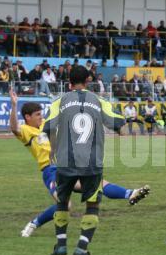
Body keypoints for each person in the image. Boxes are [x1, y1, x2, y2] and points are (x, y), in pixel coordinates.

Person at [9, 90, 150, 238]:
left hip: (70, 164)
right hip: (51, 171)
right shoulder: (26, 130)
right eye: (37, 114)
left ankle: (130, 193)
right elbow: (14, 128)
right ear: (27, 117)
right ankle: (34, 224)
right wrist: (14, 105)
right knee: (66, 205)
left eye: (41, 113)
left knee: (96, 184)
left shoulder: (47, 123)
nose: (41, 116)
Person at [42, 66, 126, 255]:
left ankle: (61, 245)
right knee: (92, 204)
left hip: (65, 161)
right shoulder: (99, 101)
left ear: (69, 83)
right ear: (88, 81)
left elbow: (49, 128)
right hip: (92, 162)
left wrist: (54, 150)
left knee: (62, 201)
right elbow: (119, 125)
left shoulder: (59, 101)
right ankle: (81, 247)